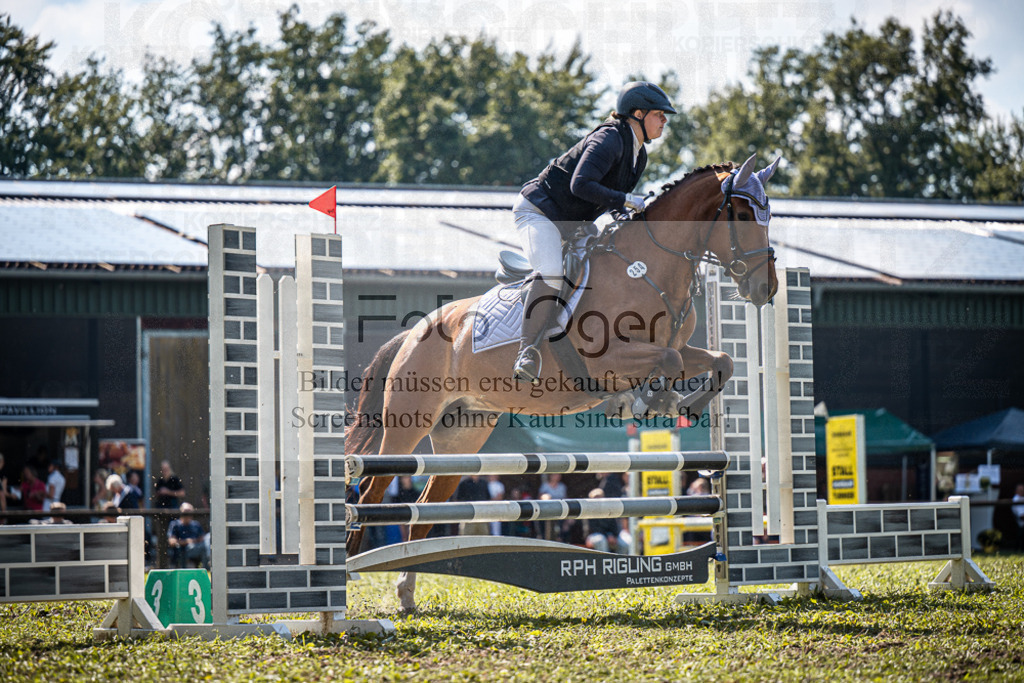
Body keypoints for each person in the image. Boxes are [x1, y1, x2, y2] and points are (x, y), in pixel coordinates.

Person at [511, 81, 676, 383]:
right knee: (550, 272)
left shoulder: (639, 156)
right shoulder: (609, 139)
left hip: (575, 224)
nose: (664, 120)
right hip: (539, 212)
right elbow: (580, 185)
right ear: (637, 114)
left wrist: (631, 214)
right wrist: (625, 200)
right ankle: (527, 351)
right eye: (659, 115)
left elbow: (609, 198)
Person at [167, 502, 210, 570]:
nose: (188, 515)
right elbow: (172, 542)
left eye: (190, 512)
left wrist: (193, 541)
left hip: (196, 547)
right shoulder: (175, 524)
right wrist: (186, 541)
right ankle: (207, 567)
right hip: (182, 549)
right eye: (186, 512)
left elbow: (202, 538)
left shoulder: (196, 524)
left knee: (208, 537)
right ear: (181, 512)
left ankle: (206, 568)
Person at [1013, 483, 1024, 552]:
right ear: (1016, 491)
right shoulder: (1016, 499)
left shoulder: (1022, 498)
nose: (1022, 491)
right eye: (1020, 490)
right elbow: (1022, 516)